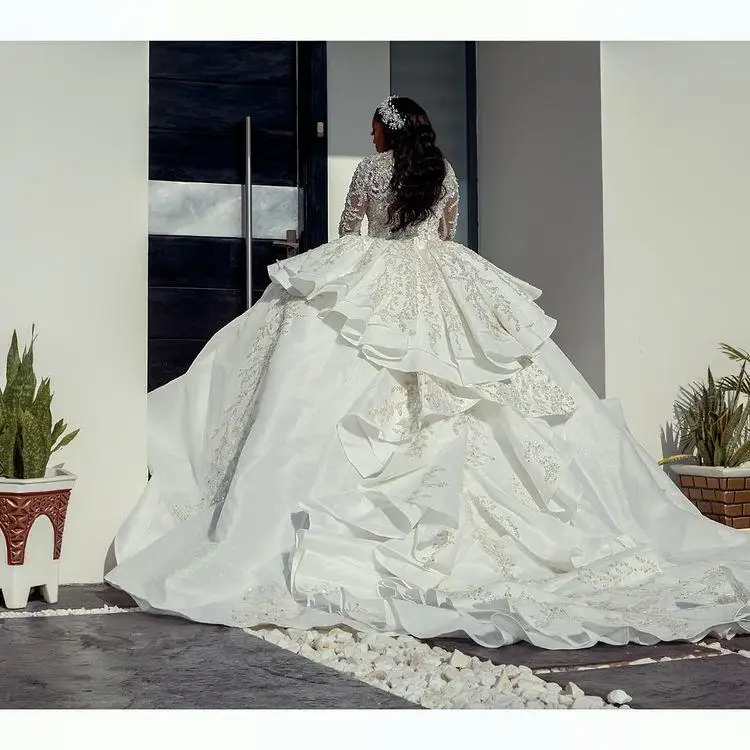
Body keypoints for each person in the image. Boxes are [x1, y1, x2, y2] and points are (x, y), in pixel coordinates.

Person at [106, 96, 750, 649]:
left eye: (373, 129)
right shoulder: (442, 172)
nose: (369, 138)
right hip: (445, 283)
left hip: (378, 278)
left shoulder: (369, 169)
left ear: (388, 130)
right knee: (481, 386)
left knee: (329, 388)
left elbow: (350, 231)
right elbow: (443, 235)